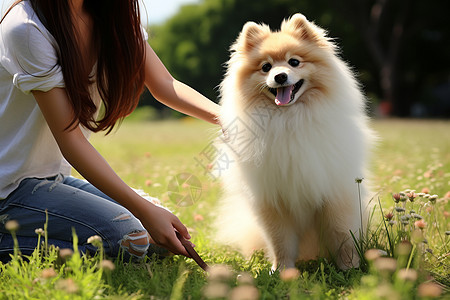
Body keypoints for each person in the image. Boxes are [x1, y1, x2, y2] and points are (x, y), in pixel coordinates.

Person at [0, 0, 220, 261]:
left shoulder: (113, 15)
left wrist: (225, 118)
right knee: (131, 239)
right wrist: (144, 211)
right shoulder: (26, 28)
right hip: (10, 188)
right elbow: (71, 140)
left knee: (160, 233)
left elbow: (164, 84)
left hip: (51, 178)